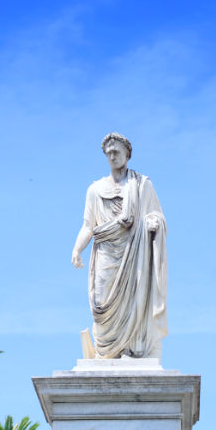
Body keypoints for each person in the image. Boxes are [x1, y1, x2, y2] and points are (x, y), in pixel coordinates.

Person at [72, 133, 168, 359]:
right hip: (106, 252)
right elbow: (88, 225)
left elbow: (157, 215)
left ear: (128, 154)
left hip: (136, 254)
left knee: (135, 302)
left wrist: (153, 222)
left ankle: (131, 349)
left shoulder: (142, 185)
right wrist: (77, 250)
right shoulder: (95, 190)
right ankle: (106, 353)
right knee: (101, 306)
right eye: (109, 153)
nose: (113, 156)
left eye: (117, 151)